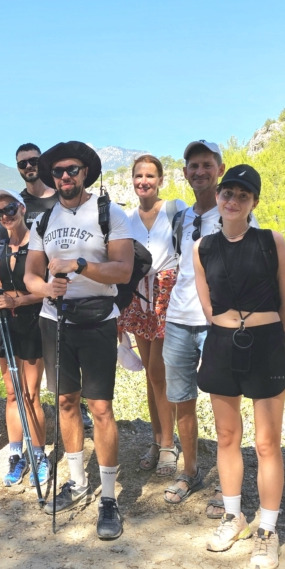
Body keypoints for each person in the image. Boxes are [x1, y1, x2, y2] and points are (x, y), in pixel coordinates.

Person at [25, 141, 134, 540]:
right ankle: (76, 482)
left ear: (85, 172)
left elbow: (122, 271)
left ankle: (108, 498)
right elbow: (30, 276)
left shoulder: (109, 214)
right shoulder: (42, 220)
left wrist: (81, 265)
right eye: (57, 172)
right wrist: (44, 289)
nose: (65, 177)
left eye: (72, 170)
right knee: (66, 402)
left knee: (100, 407)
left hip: (98, 319)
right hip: (55, 320)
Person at [193, 164, 285, 569]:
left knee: (268, 442)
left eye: (242, 195)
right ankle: (233, 516)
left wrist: (269, 336)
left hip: (266, 344)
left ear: (254, 202)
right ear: (218, 197)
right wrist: (226, 331)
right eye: (227, 193)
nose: (232, 201)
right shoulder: (202, 247)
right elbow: (207, 303)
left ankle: (267, 530)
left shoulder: (272, 241)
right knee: (226, 435)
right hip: (221, 343)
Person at [161, 141, 256, 510]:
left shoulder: (234, 211)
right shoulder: (181, 218)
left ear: (219, 169)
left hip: (220, 324)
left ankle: (226, 482)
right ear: (184, 173)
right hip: (178, 320)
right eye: (193, 166)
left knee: (224, 404)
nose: (199, 172)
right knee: (182, 400)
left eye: (206, 165)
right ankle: (190, 470)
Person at [119, 155, 187, 481]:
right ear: (132, 180)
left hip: (167, 295)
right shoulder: (127, 218)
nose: (143, 181)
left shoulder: (175, 210)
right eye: (138, 176)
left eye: (149, 176)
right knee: (150, 373)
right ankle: (158, 440)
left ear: (160, 179)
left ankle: (169, 444)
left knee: (159, 371)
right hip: (138, 296)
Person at [17, 141, 94, 433]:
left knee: (77, 362)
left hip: (68, 297)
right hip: (36, 295)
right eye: (22, 163)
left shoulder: (60, 200)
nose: (28, 167)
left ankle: (81, 407)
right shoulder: (19, 203)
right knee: (46, 372)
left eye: (33, 161)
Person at [0, 187, 49, 487]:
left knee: (31, 394)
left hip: (33, 323)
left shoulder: (39, 244)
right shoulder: (0, 247)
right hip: (6, 325)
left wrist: (16, 302)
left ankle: (39, 455)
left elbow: (45, 291)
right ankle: (15, 456)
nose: (6, 216)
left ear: (22, 208)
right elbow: (1, 286)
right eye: (0, 213)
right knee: (12, 394)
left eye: (10, 209)